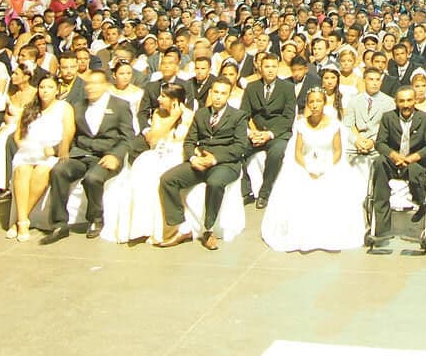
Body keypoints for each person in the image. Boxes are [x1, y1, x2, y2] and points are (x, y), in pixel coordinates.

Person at [262, 87, 366, 252]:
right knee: (302, 186)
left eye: (319, 101)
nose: (315, 105)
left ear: (324, 103)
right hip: (306, 162)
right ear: (308, 104)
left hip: (329, 163)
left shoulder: (334, 124)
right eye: (312, 102)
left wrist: (326, 168)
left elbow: (338, 151)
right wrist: (308, 167)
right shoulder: (302, 124)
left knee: (330, 187)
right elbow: (297, 151)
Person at [42, 68, 135, 243]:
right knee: (58, 171)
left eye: (95, 84)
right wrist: (56, 149)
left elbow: (128, 137)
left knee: (93, 178)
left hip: (106, 155)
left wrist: (116, 156)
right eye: (88, 84)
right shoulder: (78, 106)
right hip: (81, 153)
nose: (90, 88)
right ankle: (59, 223)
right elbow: (72, 134)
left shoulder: (120, 106)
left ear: (106, 85)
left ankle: (95, 219)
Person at [157, 76, 247, 250]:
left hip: (226, 163)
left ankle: (208, 229)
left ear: (229, 95)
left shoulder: (238, 116)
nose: (218, 97)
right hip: (200, 162)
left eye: (223, 93)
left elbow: (239, 147)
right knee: (167, 179)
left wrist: (214, 158)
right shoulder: (201, 114)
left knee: (215, 182)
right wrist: (193, 158)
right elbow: (189, 142)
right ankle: (182, 228)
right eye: (216, 92)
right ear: (211, 92)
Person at [109, 81, 192, 244]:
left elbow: (185, 140)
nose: (159, 99)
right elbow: (153, 138)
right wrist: (172, 118)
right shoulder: (158, 114)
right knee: (141, 172)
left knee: (159, 178)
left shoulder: (189, 115)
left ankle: (166, 230)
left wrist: (179, 117)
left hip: (178, 154)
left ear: (174, 99)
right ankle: (141, 227)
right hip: (157, 150)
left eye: (163, 96)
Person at [6, 76, 74, 241]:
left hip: (50, 152)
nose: (45, 91)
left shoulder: (64, 107)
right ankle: (23, 220)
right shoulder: (29, 108)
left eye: (49, 87)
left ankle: (21, 220)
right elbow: (18, 136)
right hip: (28, 150)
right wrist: (28, 147)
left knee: (42, 172)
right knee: (22, 170)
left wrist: (55, 150)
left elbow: (69, 133)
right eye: (42, 87)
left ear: (57, 89)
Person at [368, 84, 426, 244]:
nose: (405, 105)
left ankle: (421, 203)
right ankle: (381, 229)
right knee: (379, 162)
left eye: (409, 100)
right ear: (396, 102)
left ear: (415, 101)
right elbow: (380, 143)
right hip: (393, 162)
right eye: (402, 101)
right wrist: (393, 155)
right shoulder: (388, 118)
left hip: (414, 162)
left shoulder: (425, 119)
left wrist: (412, 158)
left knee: (414, 171)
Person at [241, 52, 296, 209]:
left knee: (276, 153)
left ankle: (265, 193)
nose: (270, 70)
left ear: (278, 68)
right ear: (260, 68)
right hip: (256, 132)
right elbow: (243, 114)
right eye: (267, 66)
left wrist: (269, 134)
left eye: (273, 66)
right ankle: (246, 191)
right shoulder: (252, 88)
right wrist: (251, 133)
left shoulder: (287, 87)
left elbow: (288, 118)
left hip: (277, 134)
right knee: (236, 149)